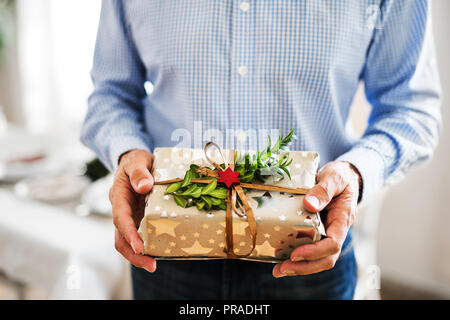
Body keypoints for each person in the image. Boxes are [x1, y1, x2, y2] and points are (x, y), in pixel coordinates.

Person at [81, 0, 441, 299]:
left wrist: (355, 172)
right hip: (167, 250)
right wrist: (127, 152)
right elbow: (111, 95)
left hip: (306, 253)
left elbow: (410, 109)